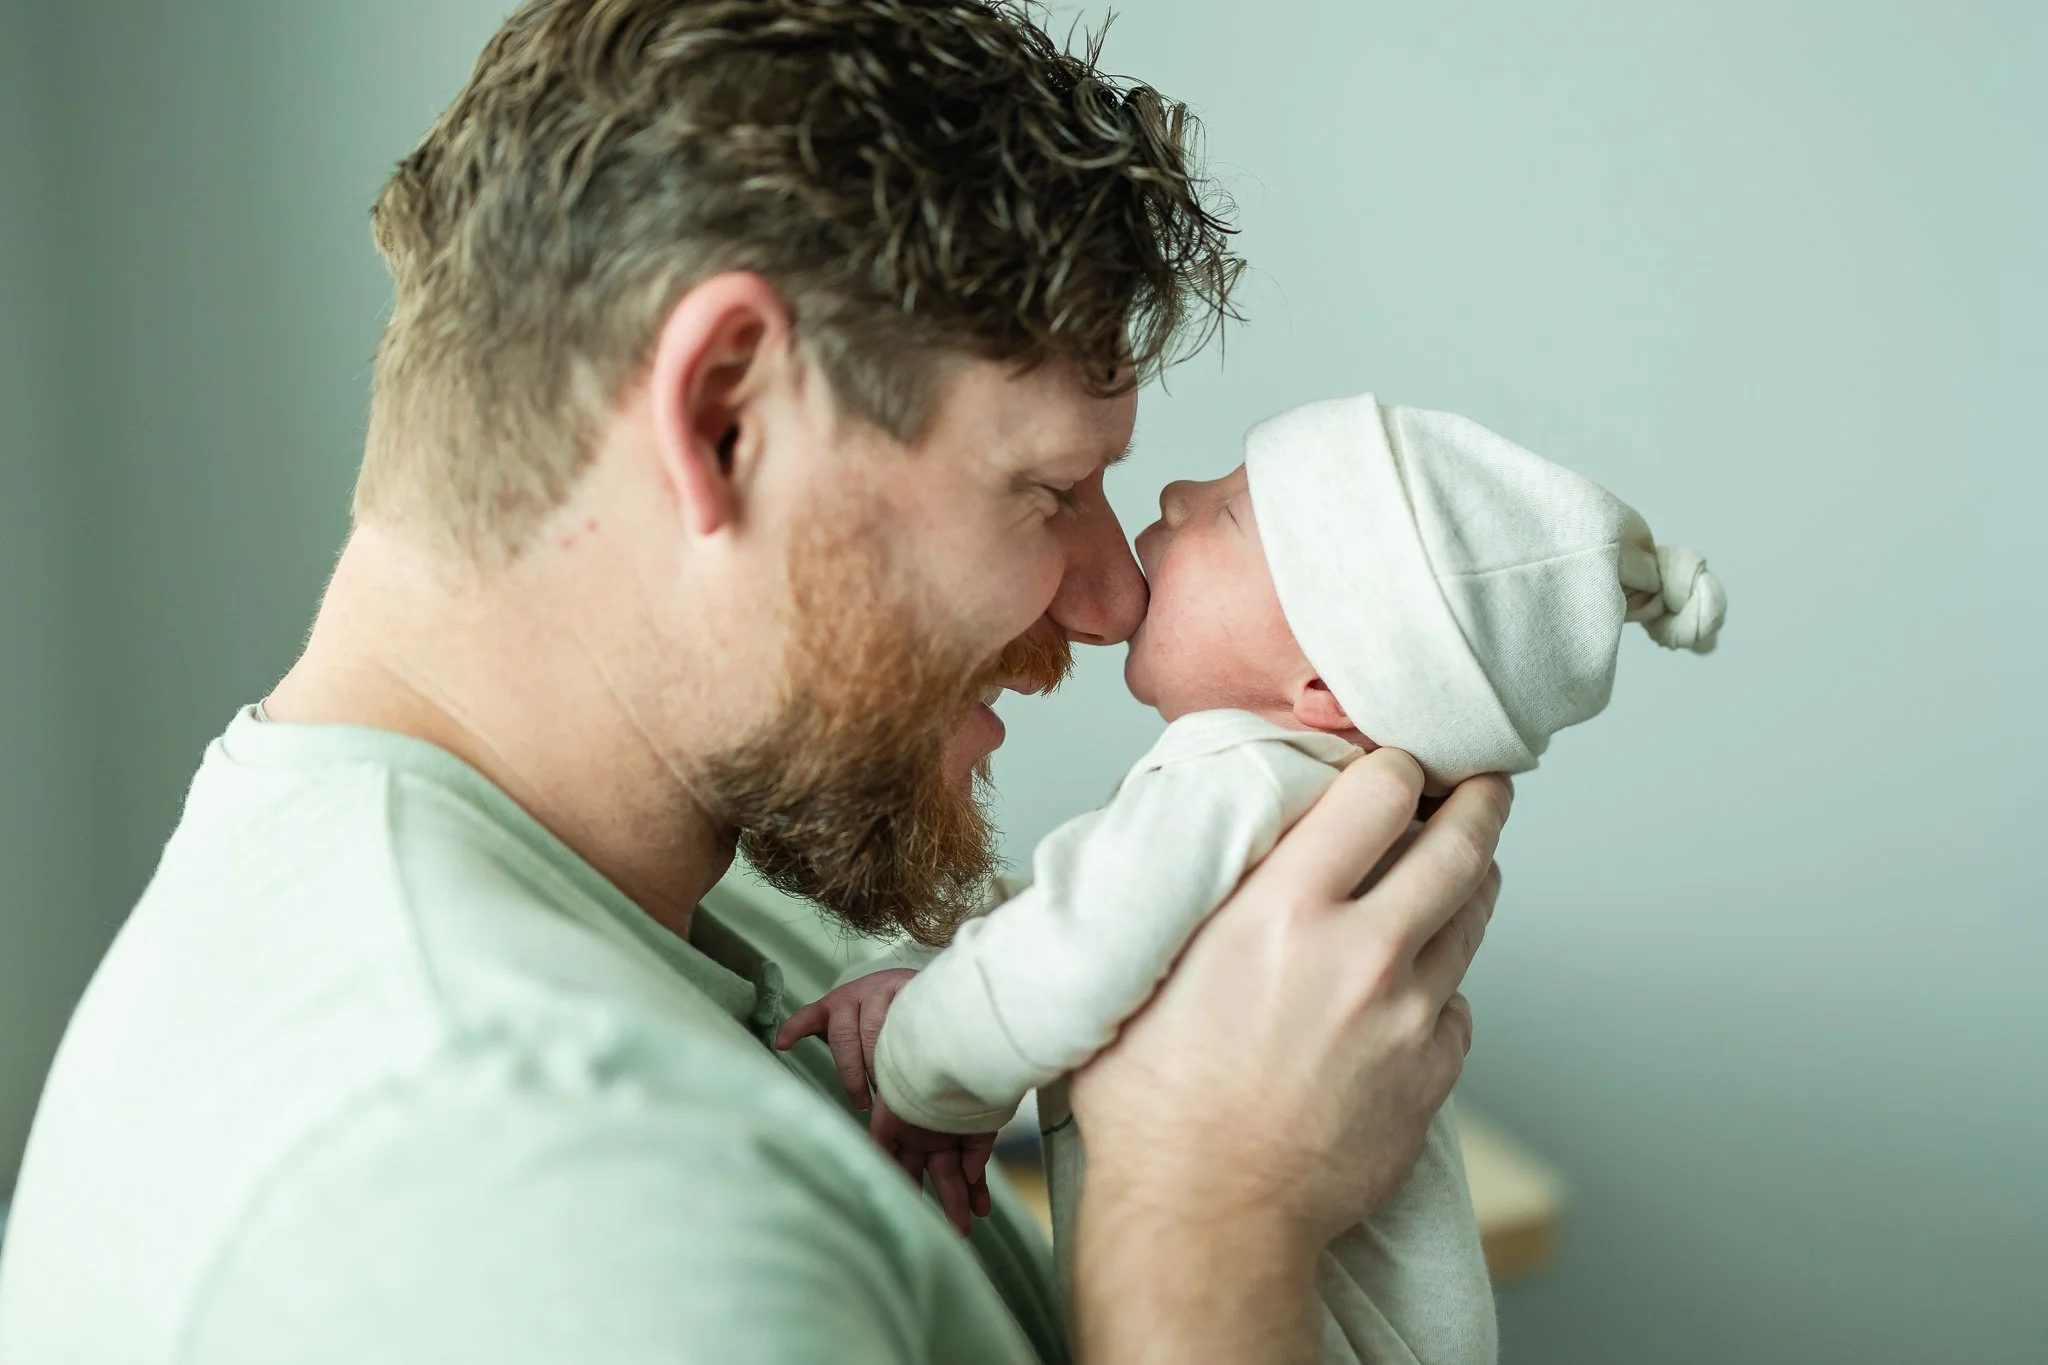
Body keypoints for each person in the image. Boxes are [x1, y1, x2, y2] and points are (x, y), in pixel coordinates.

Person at [0, 4, 1510, 1363]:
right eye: (1048, 490)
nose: (1115, 605)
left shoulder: (700, 905)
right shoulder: (517, 1196)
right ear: (725, 418)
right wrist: (1209, 1215)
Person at [783, 393, 1727, 1363]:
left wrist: (922, 1070)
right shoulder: (1313, 808)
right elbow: (1091, 931)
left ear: (1323, 686)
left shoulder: (1235, 779)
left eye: (1230, 512)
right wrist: (926, 969)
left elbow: (1069, 953)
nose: (1176, 493)